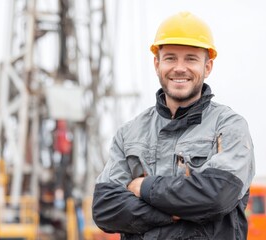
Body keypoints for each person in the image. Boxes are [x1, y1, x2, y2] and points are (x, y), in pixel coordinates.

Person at [91, 11, 255, 240]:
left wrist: (145, 188)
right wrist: (172, 214)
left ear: (207, 67)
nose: (180, 68)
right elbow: (105, 208)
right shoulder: (129, 134)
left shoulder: (228, 127)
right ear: (157, 64)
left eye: (191, 58)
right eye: (170, 58)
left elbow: (218, 195)